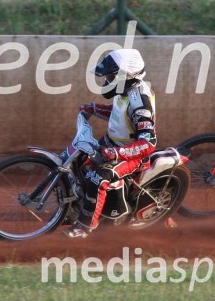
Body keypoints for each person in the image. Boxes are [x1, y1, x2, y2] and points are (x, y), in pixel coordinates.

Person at [64, 48, 158, 238]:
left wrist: (116, 154)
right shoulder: (124, 91)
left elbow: (148, 143)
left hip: (132, 155)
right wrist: (93, 109)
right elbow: (117, 113)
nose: (107, 82)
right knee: (78, 161)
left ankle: (83, 228)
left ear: (126, 77)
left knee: (98, 178)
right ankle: (75, 208)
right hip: (111, 144)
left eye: (110, 77)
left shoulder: (140, 102)